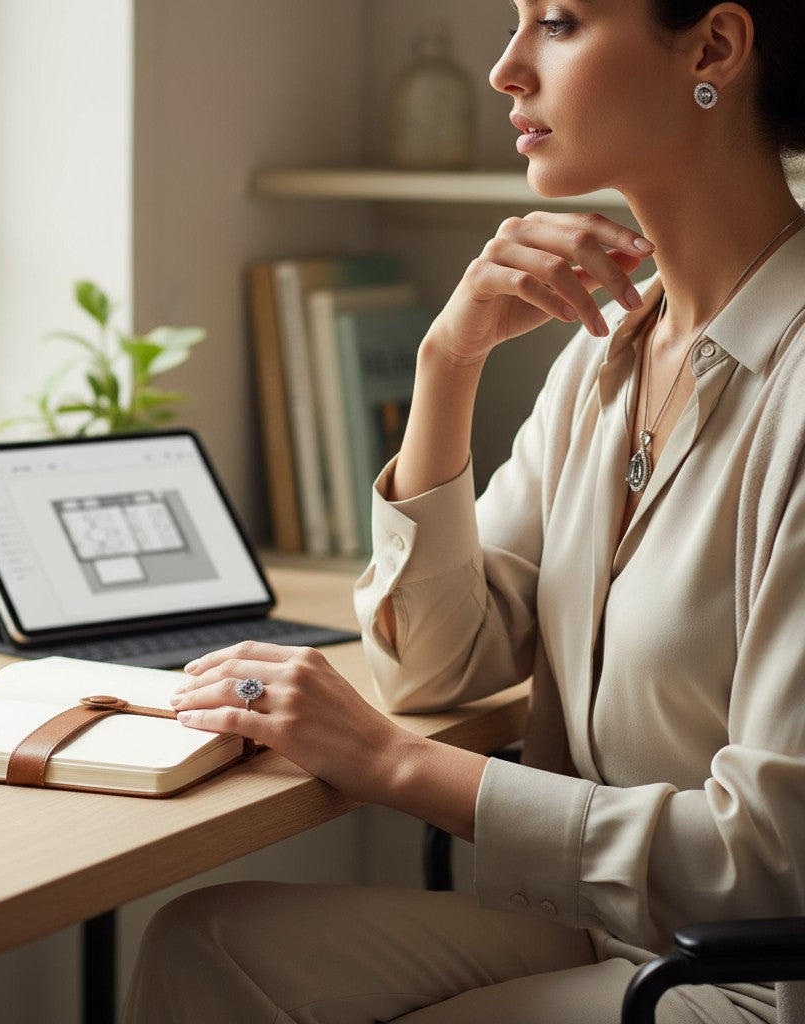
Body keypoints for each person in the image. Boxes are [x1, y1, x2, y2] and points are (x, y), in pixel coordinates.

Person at [121, 1, 805, 1020]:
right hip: (608, 923)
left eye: (558, 23)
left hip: (749, 980)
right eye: (514, 20)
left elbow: (769, 865)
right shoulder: (612, 352)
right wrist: (449, 363)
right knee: (206, 944)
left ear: (712, 49)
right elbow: (435, 662)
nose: (504, 70)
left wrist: (395, 764)